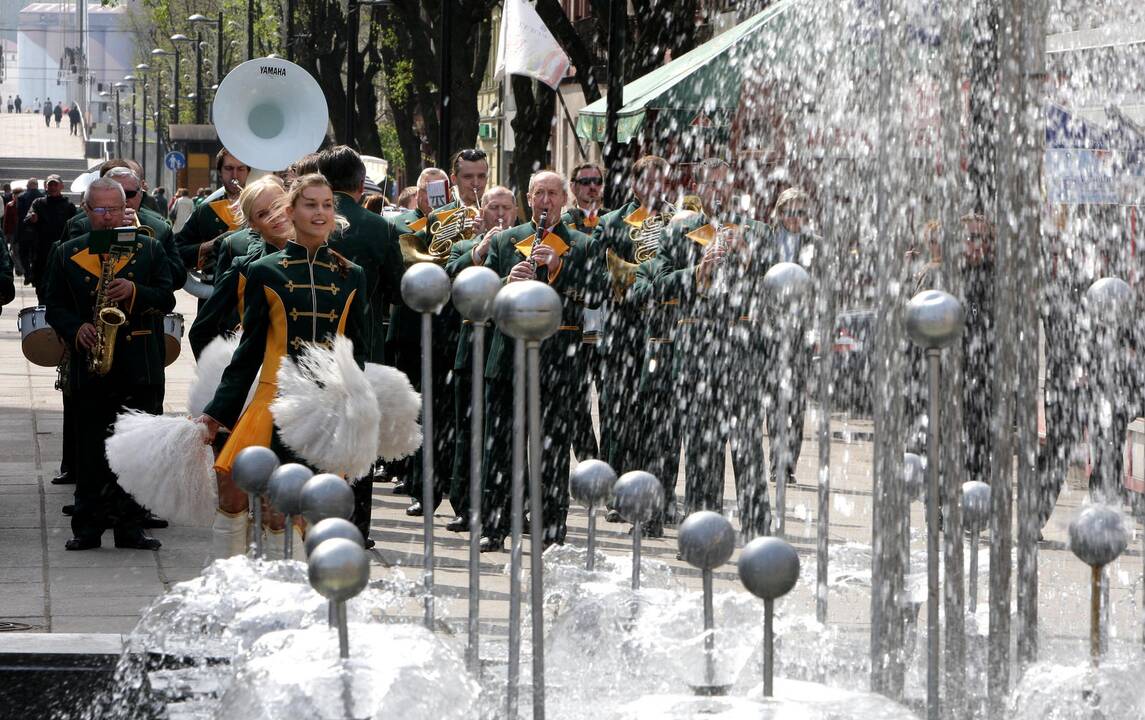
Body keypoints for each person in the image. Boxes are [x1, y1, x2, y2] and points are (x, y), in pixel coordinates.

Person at [195, 174, 368, 559]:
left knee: (308, 508)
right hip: (273, 403)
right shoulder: (265, 271)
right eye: (310, 204)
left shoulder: (351, 276)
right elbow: (249, 352)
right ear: (291, 211)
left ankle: (301, 589)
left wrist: (360, 408)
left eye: (326, 204)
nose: (320, 212)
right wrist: (216, 414)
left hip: (327, 407)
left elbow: (357, 352)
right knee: (266, 503)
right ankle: (233, 579)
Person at [42, 177, 176, 550]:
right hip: (92, 363)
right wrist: (76, 327)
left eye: (113, 209)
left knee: (136, 448)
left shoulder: (149, 248)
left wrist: (136, 292)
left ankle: (130, 526)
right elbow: (53, 304)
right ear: (86, 211)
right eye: (98, 210)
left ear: (125, 210)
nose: (106, 217)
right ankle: (87, 526)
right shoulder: (66, 251)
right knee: (90, 447)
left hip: (139, 364)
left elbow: (167, 296)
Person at [478, 170, 600, 551]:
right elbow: (481, 296)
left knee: (552, 449)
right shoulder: (508, 240)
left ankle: (551, 530)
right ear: (528, 198)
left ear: (564, 200)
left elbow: (596, 292)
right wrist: (505, 284)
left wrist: (560, 268)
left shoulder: (581, 242)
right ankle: (495, 526)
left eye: (553, 194)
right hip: (509, 355)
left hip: (558, 362)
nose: (546, 201)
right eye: (539, 194)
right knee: (500, 446)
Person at [316, 145, 405, 546]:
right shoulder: (380, 227)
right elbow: (397, 289)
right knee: (360, 438)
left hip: (312, 340)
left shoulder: (306, 218)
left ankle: (315, 516)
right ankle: (355, 527)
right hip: (362, 343)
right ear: (359, 183)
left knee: (314, 433)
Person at [393, 149, 488, 518]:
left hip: (478, 329)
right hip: (440, 327)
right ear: (454, 179)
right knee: (430, 413)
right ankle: (425, 490)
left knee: (471, 418)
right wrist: (467, 245)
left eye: (481, 176)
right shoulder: (439, 219)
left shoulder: (498, 212)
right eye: (468, 178)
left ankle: (467, 500)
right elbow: (424, 267)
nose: (476, 185)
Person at [589, 155, 675, 520]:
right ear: (636, 183)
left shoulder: (678, 220)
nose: (655, 188)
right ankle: (618, 496)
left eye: (661, 181)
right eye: (648, 180)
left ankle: (662, 496)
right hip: (623, 328)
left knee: (661, 417)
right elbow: (595, 273)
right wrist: (632, 283)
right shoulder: (612, 222)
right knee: (617, 414)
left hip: (663, 329)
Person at [443, 184, 518, 532]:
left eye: (506, 207)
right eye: (493, 207)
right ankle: (464, 504)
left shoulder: (523, 244)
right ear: (481, 211)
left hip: (506, 349)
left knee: (506, 432)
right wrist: (478, 251)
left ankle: (511, 504)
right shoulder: (465, 245)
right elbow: (447, 275)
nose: (500, 214)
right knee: (467, 431)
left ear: (517, 211)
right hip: (473, 346)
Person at [188, 176, 292, 358]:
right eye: (262, 214)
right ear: (252, 224)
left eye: (278, 206)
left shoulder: (320, 255)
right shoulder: (243, 264)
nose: (274, 216)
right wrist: (218, 378)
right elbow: (202, 330)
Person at [563, 162, 610, 463]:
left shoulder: (613, 221)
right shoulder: (565, 223)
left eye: (597, 181)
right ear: (574, 187)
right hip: (575, 320)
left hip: (607, 318)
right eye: (585, 181)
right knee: (575, 402)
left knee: (610, 401)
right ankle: (590, 462)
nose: (592, 187)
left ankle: (609, 464)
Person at [174, 150, 250, 297]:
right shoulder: (206, 210)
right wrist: (210, 245)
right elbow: (177, 250)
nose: (235, 175)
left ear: (248, 172)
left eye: (241, 169)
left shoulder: (261, 206)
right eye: (229, 169)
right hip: (214, 294)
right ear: (220, 173)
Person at [23, 175, 77, 299]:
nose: (52, 187)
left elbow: (75, 226)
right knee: (41, 285)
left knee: (59, 286)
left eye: (55, 184)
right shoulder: (38, 203)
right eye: (50, 185)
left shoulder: (68, 205)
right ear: (45, 187)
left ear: (61, 186)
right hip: (41, 252)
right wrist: (32, 219)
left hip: (61, 251)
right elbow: (26, 220)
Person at [15, 178, 43, 282]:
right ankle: (35, 274)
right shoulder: (42, 197)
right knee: (35, 254)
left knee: (24, 254)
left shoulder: (21, 197)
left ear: (28, 185)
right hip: (38, 231)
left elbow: (19, 215)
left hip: (24, 230)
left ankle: (27, 273)